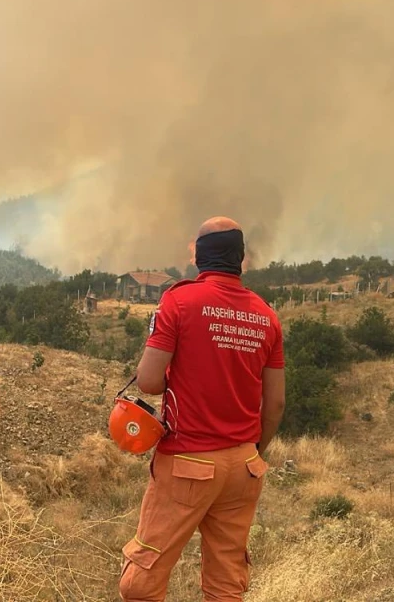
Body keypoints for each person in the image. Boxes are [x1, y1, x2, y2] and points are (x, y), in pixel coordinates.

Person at [119, 216, 286, 602]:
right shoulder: (267, 316)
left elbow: (148, 381)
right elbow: (275, 403)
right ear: (240, 260)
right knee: (226, 584)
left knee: (141, 581)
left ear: (198, 258)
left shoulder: (179, 301)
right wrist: (253, 452)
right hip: (244, 466)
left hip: (187, 463)